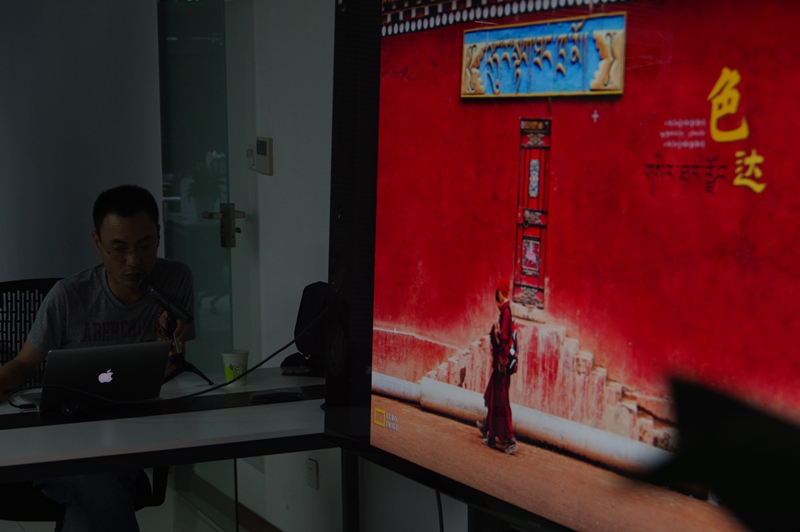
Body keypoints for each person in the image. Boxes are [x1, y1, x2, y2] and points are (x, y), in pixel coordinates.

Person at [0, 184, 195, 532]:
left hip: (131, 435)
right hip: (65, 439)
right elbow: (23, 364)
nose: (133, 261)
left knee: (93, 496)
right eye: (118, 249)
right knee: (98, 485)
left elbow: (171, 369)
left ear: (158, 235)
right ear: (97, 242)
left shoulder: (174, 280)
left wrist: (169, 336)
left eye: (144, 246)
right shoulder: (69, 296)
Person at [477, 279, 518, 455]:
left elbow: (504, 340)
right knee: (493, 397)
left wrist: (495, 334)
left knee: (501, 401)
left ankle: (510, 440)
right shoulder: (505, 312)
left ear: (501, 294)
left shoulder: (506, 313)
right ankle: (490, 434)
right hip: (500, 365)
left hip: (502, 366)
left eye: (498, 294)